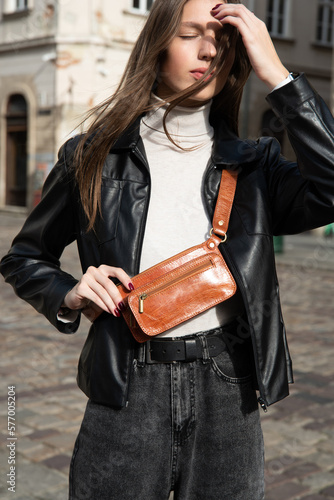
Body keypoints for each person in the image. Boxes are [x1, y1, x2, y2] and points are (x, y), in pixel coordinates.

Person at [1, 1, 334, 498]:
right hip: (127, 383)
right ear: (156, 46)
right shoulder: (91, 157)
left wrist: (280, 77)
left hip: (230, 387)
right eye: (190, 35)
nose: (208, 50)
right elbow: (23, 258)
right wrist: (70, 293)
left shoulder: (256, 166)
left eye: (222, 41)